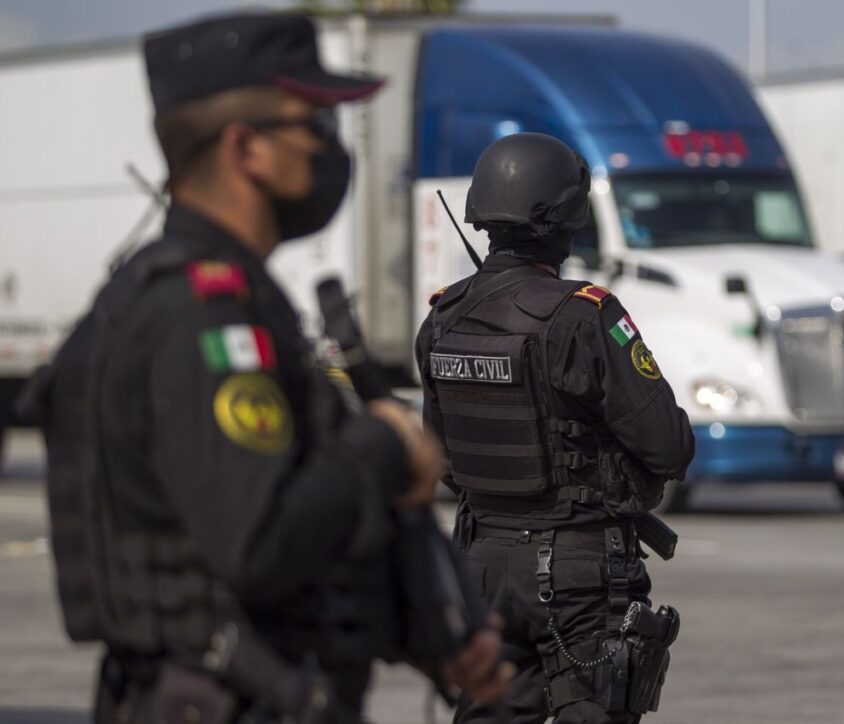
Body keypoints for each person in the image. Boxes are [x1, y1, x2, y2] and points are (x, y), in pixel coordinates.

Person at [31, 12, 508, 723]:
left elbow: (256, 561)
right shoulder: (202, 316)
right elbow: (260, 541)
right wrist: (382, 445)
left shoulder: (194, 295)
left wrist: (426, 629)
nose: (329, 149)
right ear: (245, 147)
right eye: (313, 125)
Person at [415, 132, 696, 724]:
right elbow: (669, 446)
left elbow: (440, 460)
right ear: (565, 220)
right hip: (578, 574)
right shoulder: (586, 316)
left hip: (482, 565)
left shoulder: (441, 318)